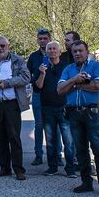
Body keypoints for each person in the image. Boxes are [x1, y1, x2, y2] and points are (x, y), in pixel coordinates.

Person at [57, 40, 99, 197]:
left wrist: (76, 86)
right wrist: (74, 80)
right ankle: (86, 182)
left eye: (80, 51)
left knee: (98, 148)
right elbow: (60, 89)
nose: (77, 54)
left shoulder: (96, 66)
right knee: (81, 150)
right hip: (74, 113)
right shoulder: (68, 69)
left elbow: (98, 85)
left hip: (92, 112)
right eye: (75, 51)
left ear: (87, 51)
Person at [0, 35, 29, 180]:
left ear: (8, 46)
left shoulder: (18, 60)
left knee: (14, 137)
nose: (0, 48)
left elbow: (26, 77)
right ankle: (4, 167)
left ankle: (19, 169)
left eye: (3, 46)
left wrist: (7, 83)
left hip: (11, 103)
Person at [35, 41, 75, 177]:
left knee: (68, 140)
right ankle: (52, 167)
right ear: (46, 52)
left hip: (64, 107)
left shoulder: (67, 68)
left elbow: (71, 86)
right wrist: (42, 73)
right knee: (50, 140)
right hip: (47, 107)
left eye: (54, 49)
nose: (52, 51)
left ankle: (70, 168)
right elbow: (38, 87)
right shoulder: (41, 68)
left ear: (59, 52)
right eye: (49, 49)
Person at [26, 29, 51, 166]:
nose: (42, 41)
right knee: (39, 125)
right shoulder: (33, 56)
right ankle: (38, 154)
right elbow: (27, 74)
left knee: (54, 126)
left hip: (53, 94)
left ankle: (56, 155)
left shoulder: (54, 53)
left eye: (45, 38)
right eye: (40, 38)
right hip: (37, 94)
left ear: (49, 39)